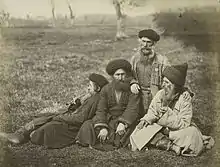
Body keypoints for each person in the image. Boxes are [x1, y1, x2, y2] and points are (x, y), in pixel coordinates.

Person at [0, 73, 108, 149]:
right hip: (69, 122)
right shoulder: (93, 97)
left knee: (40, 131)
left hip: (72, 128)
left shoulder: (96, 99)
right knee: (44, 118)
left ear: (97, 88)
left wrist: (61, 117)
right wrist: (80, 100)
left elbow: (80, 118)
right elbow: (79, 109)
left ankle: (24, 136)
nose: (87, 88)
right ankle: (19, 135)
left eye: (89, 86)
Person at [130, 63, 214, 156]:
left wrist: (167, 114)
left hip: (177, 132)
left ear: (175, 86)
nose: (163, 85)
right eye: (163, 81)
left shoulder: (185, 99)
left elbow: (184, 123)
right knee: (139, 129)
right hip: (160, 128)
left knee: (192, 133)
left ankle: (161, 140)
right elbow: (153, 111)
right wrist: (146, 120)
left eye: (167, 83)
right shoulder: (160, 94)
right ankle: (171, 146)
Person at [76, 59, 141, 151]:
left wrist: (123, 123)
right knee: (88, 124)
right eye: (117, 75)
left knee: (129, 131)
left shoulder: (132, 90)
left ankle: (108, 141)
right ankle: (92, 141)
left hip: (125, 118)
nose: (120, 78)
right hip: (109, 118)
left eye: (123, 74)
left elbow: (132, 109)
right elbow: (101, 109)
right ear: (112, 76)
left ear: (126, 75)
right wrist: (102, 127)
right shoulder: (106, 89)